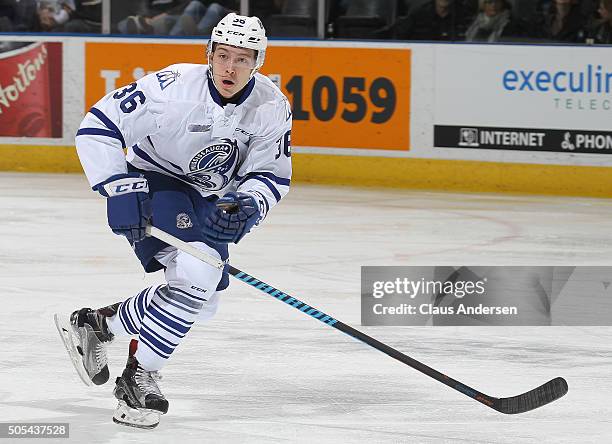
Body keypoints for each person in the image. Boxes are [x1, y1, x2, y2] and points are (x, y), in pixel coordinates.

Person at [54, 13, 292, 429]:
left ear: (258, 62)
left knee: (204, 303)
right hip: (156, 179)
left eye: (242, 59)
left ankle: (99, 323)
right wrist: (118, 186)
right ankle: (139, 376)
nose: (229, 68)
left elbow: (270, 173)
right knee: (197, 274)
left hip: (207, 195)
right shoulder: (174, 87)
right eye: (222, 56)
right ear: (209, 55)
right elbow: (100, 124)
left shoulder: (271, 105)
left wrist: (246, 205)